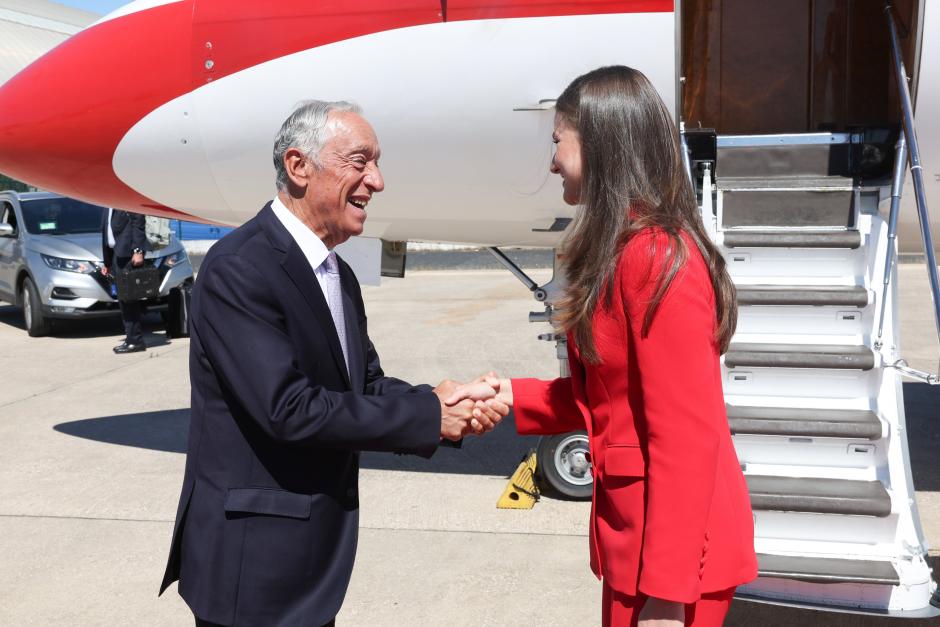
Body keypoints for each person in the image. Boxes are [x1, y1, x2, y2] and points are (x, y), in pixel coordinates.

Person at [159, 100, 508, 626]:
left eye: (377, 162)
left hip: (307, 568)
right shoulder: (240, 269)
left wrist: (443, 402)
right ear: (299, 167)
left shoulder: (334, 272)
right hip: (253, 570)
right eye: (360, 161)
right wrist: (429, 416)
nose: (378, 180)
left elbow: (362, 385)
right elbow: (288, 408)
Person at [456, 66, 758, 626]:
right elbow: (612, 401)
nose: (551, 163)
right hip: (638, 547)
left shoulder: (654, 257)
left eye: (558, 143)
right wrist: (506, 395)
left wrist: (666, 598)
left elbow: (686, 435)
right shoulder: (624, 248)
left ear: (599, 144)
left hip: (671, 564)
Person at [101, 208, 150, 353]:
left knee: (129, 299)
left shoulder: (123, 201)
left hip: (127, 254)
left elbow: (138, 223)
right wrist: (107, 262)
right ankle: (131, 337)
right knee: (123, 300)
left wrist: (138, 251)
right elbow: (106, 234)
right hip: (117, 256)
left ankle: (135, 340)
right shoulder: (106, 206)